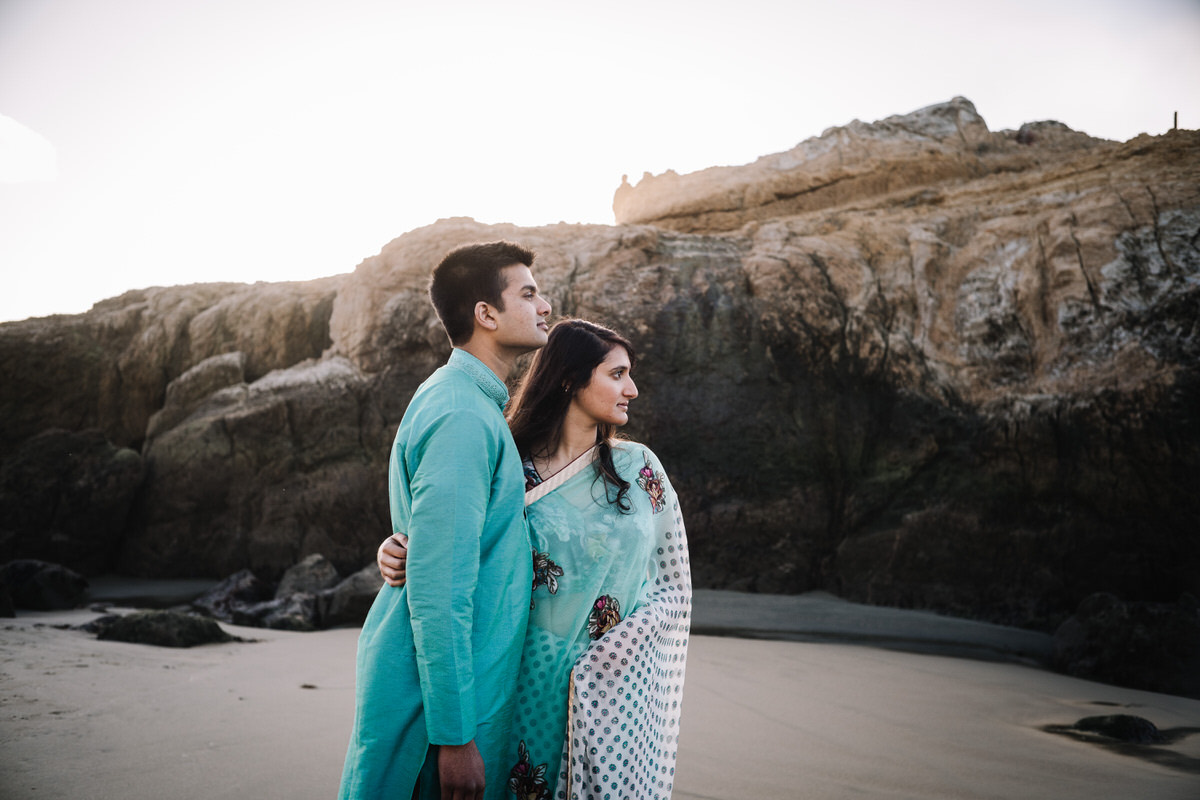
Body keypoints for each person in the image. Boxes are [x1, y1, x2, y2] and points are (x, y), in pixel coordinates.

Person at [381, 319, 691, 800]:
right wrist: (399, 550)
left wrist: (625, 644)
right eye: (617, 374)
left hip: (610, 684)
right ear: (569, 377)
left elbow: (674, 580)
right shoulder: (505, 465)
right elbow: (453, 545)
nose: (631, 389)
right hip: (517, 675)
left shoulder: (639, 468)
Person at [339, 240, 552, 800]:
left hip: (449, 689)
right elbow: (437, 589)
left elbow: (438, 545)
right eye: (528, 294)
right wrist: (455, 738)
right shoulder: (461, 414)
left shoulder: (467, 402)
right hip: (434, 711)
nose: (545, 305)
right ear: (486, 314)